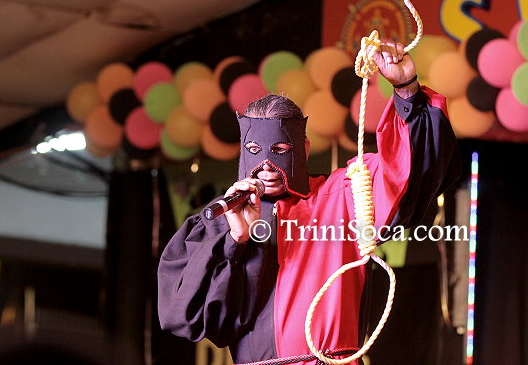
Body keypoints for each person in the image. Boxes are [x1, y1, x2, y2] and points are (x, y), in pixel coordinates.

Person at [157, 42, 461, 364]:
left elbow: (405, 170)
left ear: (303, 149)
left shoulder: (343, 193)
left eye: (280, 151)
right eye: (255, 152)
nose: (266, 167)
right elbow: (186, 315)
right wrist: (236, 241)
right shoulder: (224, 216)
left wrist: (406, 89)